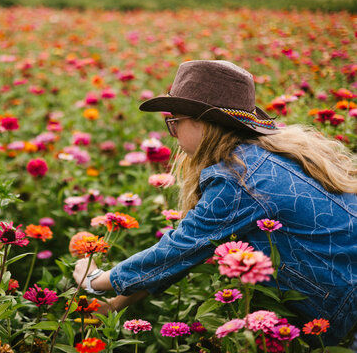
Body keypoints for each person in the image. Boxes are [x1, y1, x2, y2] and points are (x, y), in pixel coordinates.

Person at [73, 60, 357, 346]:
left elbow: (179, 249)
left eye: (174, 122)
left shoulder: (239, 178)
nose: (173, 134)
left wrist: (94, 279)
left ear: (201, 122)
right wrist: (115, 304)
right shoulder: (264, 156)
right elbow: (187, 251)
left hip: (342, 314)